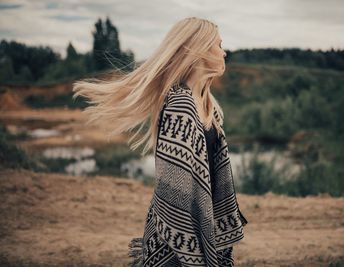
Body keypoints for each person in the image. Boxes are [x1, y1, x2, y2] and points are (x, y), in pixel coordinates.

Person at [73, 16, 248, 267]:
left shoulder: (206, 104)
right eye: (219, 45)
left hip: (199, 224)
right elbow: (172, 194)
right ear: (199, 50)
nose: (224, 52)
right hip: (178, 242)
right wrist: (192, 251)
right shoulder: (181, 106)